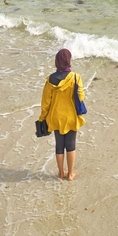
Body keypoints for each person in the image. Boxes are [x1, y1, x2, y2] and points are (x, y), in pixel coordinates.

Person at [38, 48, 86, 180]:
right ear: (68, 61)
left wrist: (42, 118)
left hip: (55, 117)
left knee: (59, 145)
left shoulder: (49, 80)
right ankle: (70, 174)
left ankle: (61, 172)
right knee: (71, 145)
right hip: (71, 116)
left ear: (57, 61)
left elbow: (45, 103)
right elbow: (81, 97)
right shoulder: (76, 77)